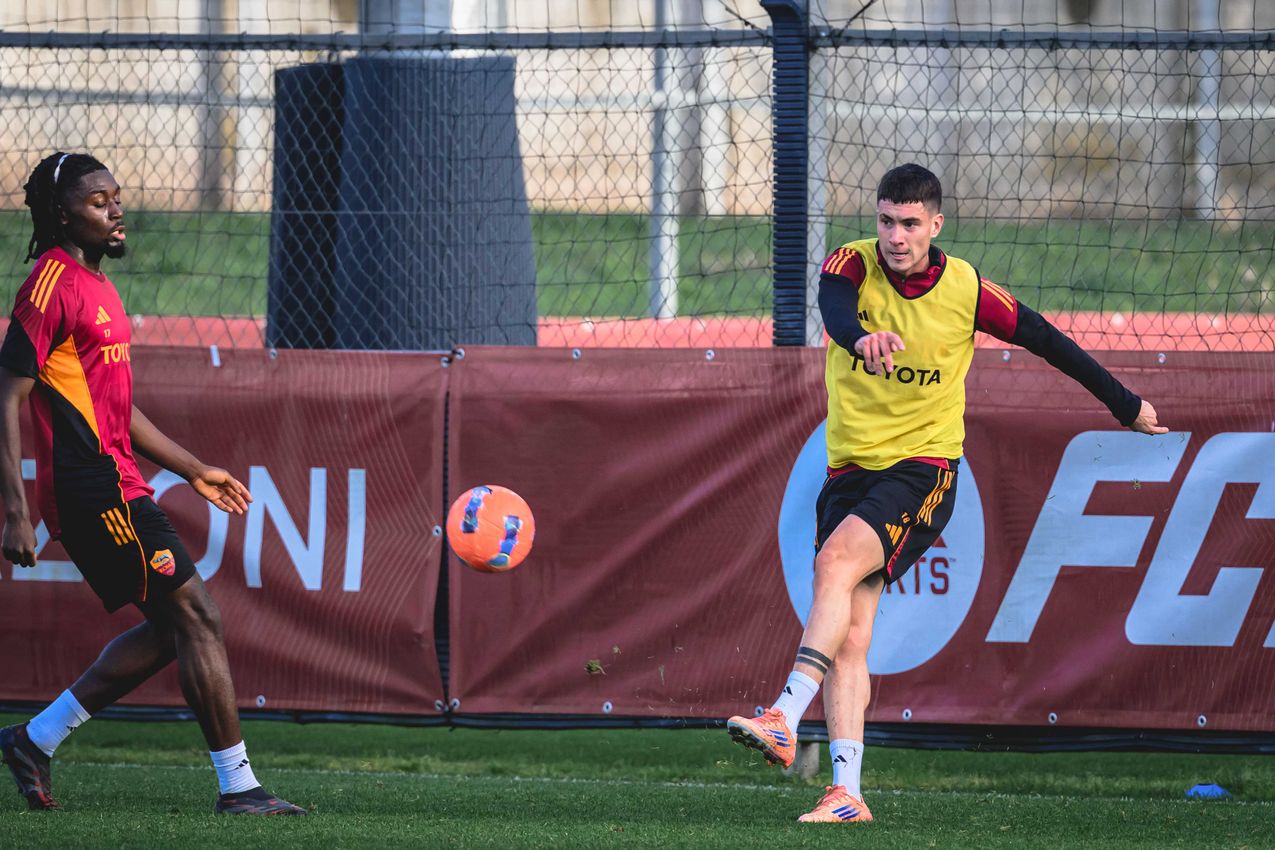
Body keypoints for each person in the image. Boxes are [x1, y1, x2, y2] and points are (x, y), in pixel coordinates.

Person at [726, 163, 1168, 823]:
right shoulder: (850, 263)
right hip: (848, 472)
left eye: (909, 224)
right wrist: (859, 338)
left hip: (922, 471)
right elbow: (833, 310)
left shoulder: (965, 289)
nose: (895, 236)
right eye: (885, 220)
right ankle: (847, 792)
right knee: (849, 636)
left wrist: (1125, 404)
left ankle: (784, 713)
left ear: (935, 225)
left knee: (832, 564)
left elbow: (1048, 341)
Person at [0, 152, 305, 816]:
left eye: (116, 195)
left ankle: (34, 739)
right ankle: (239, 788)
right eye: (96, 200)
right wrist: (16, 511)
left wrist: (194, 469)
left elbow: (117, 407)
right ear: (60, 215)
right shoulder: (49, 285)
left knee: (175, 628)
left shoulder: (98, 287)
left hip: (120, 480)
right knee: (200, 618)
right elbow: (6, 395)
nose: (115, 208)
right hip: (92, 490)